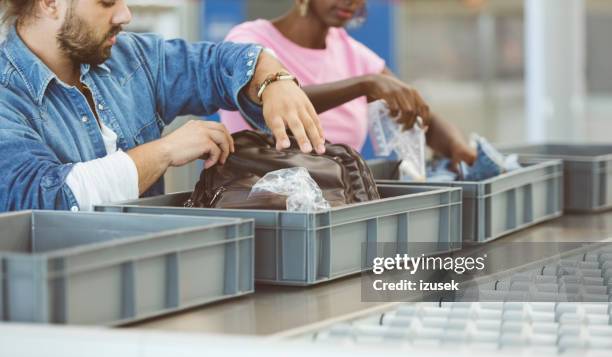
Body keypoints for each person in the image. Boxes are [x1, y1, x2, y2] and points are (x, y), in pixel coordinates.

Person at [0, 0, 325, 212]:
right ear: (50, 3)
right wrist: (164, 151)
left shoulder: (133, 58)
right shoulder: (6, 96)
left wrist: (272, 79)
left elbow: (214, 65)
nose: (125, 14)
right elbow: (44, 199)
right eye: (107, 2)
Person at [220, 0, 476, 166]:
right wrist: (362, 85)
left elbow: (412, 110)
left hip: (337, 202)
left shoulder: (354, 54)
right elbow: (276, 106)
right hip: (260, 201)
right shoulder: (248, 40)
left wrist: (456, 145)